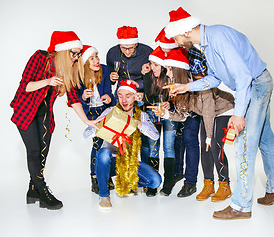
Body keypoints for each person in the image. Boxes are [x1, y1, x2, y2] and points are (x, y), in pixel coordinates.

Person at [165, 7, 274, 219]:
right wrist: (187, 88)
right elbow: (214, 78)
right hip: (258, 82)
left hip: (255, 85)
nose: (176, 42)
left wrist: (238, 114)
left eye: (175, 37)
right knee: (265, 140)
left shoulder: (218, 37)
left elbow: (242, 77)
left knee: (243, 143)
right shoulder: (207, 43)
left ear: (185, 31)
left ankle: (241, 206)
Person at [10, 31, 100, 210]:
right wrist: (48, 81)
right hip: (26, 110)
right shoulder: (40, 57)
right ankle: (43, 192)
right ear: (63, 51)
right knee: (34, 152)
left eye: (77, 54)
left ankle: (32, 189)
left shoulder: (70, 69)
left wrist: (87, 121)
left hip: (44, 114)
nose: (75, 58)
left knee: (43, 152)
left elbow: (73, 98)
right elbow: (25, 86)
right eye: (73, 53)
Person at [83, 80, 161, 209]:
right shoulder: (110, 111)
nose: (124, 100)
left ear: (135, 97)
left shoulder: (141, 115)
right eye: (120, 95)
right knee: (103, 153)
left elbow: (155, 135)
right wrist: (99, 125)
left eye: (128, 96)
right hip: (110, 162)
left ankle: (129, 182)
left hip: (130, 163)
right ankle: (104, 195)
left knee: (155, 181)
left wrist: (136, 123)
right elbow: (85, 134)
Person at [187, 46, 234, 202]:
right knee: (204, 147)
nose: (197, 78)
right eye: (194, 75)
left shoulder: (206, 87)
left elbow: (209, 111)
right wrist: (166, 113)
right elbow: (186, 111)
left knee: (214, 144)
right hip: (208, 115)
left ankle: (225, 184)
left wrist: (209, 135)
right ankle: (209, 183)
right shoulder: (188, 87)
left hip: (224, 110)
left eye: (199, 75)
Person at [154, 47, 201, 198]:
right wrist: (168, 110)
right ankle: (178, 173)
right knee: (178, 138)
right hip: (183, 111)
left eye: (169, 69)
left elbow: (189, 110)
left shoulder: (191, 80)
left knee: (189, 137)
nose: (166, 73)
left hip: (199, 109)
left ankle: (190, 182)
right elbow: (181, 113)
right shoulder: (172, 79)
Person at [106, 26, 153, 164]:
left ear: (136, 44)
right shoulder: (112, 53)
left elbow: (154, 79)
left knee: (143, 136)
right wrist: (111, 77)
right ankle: (119, 171)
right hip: (122, 98)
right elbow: (108, 77)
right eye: (124, 48)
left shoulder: (147, 52)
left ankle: (144, 171)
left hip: (141, 97)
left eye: (131, 48)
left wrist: (140, 85)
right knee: (119, 133)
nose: (127, 51)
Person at [75, 45, 116, 194]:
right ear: (85, 62)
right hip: (91, 113)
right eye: (92, 58)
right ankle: (95, 177)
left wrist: (108, 97)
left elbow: (109, 93)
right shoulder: (78, 75)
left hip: (105, 110)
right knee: (98, 145)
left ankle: (106, 175)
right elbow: (77, 100)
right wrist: (84, 97)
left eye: (97, 56)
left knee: (110, 144)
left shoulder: (104, 69)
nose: (96, 60)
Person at [142, 47, 178, 197]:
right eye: (151, 64)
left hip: (169, 115)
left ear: (163, 65)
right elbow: (147, 98)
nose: (153, 68)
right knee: (153, 148)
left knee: (168, 147)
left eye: (156, 65)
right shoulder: (149, 76)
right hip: (152, 113)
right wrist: (145, 75)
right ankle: (153, 183)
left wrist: (171, 104)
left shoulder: (171, 77)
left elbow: (179, 98)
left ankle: (168, 182)